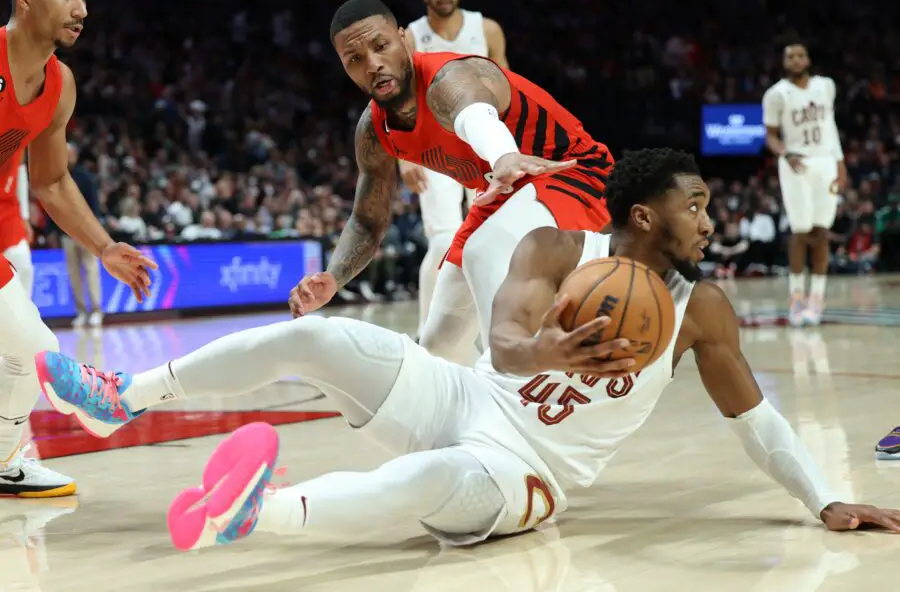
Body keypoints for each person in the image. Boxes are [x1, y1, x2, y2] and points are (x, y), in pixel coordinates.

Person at [38, 148, 900, 550]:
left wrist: (823, 497)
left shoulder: (704, 310)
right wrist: (548, 353)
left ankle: (245, 516)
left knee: (427, 484)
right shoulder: (558, 251)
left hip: (533, 478)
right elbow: (505, 343)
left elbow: (755, 420)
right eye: (699, 205)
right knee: (319, 334)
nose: (711, 220)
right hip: (468, 402)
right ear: (644, 216)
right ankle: (125, 394)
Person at [290, 0, 613, 366]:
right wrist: (334, 278)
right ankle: (482, 394)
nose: (373, 64)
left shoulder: (446, 77)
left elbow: (474, 114)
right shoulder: (373, 130)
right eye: (355, 60)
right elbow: (367, 221)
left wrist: (504, 154)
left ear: (404, 39)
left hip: (569, 170)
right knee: (440, 343)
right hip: (502, 190)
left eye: (380, 46)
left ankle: (518, 378)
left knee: (483, 253)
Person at [0, 0, 156, 497]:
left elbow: (51, 182)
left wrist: (104, 246)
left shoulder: (60, 84)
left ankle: (3, 461)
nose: (82, 10)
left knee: (29, 351)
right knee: (34, 346)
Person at [403, 0, 509, 343]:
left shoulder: (487, 29)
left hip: (482, 144)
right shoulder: (414, 36)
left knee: (496, 238)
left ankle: (488, 332)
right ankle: (426, 335)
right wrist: (403, 156)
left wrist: (510, 149)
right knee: (442, 242)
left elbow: (509, 91)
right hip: (434, 147)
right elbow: (401, 98)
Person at [762, 43, 847, 327]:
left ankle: (817, 298)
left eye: (800, 55)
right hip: (795, 164)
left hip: (825, 162)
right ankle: (796, 296)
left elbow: (830, 126)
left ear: (808, 59)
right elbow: (771, 136)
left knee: (822, 231)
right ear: (784, 61)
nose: (796, 60)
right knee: (800, 232)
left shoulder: (826, 86)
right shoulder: (775, 94)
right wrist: (785, 153)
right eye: (790, 56)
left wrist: (840, 162)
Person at [62, 143, 104, 328]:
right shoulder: (56, 177)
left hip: (85, 233)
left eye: (68, 154)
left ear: (76, 156)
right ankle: (81, 312)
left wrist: (92, 231)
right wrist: (52, 231)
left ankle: (96, 311)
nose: (65, 157)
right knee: (73, 274)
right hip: (65, 233)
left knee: (91, 270)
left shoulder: (85, 177)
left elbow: (94, 206)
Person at [0, 152, 34, 296]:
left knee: (23, 266)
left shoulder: (15, 134)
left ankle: (24, 315)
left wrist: (25, 217)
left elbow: (20, 171)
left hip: (9, 212)